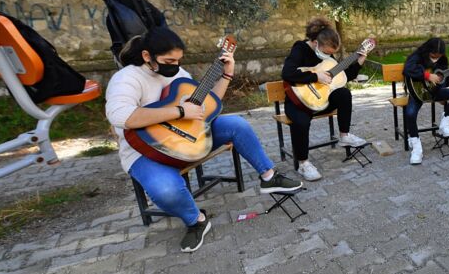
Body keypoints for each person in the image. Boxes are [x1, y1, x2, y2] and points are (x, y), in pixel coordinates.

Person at [106, 27, 302, 253]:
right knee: (166, 191)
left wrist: (227, 74)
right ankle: (196, 221)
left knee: (237, 124)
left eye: (179, 60)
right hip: (146, 151)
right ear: (147, 56)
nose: (176, 66)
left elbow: (206, 106)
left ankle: (269, 176)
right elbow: (121, 116)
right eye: (169, 60)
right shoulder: (127, 78)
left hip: (190, 137)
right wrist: (180, 111)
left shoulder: (177, 74)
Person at [281, 17, 368, 181]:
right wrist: (315, 76)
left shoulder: (327, 56)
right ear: (315, 43)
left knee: (344, 93)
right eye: (327, 52)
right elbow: (287, 73)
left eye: (331, 53)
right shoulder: (300, 49)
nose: (329, 56)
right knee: (301, 122)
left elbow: (343, 76)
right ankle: (303, 164)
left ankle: (344, 136)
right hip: (299, 102)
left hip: (322, 100)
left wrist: (359, 61)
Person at [402, 37, 449, 164]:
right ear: (427, 50)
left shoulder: (442, 60)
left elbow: (445, 81)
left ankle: (444, 125)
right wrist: (427, 75)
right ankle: (416, 147)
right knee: (410, 114)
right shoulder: (417, 56)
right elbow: (407, 69)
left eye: (439, 55)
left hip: (434, 92)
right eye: (433, 55)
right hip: (418, 92)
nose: (435, 58)